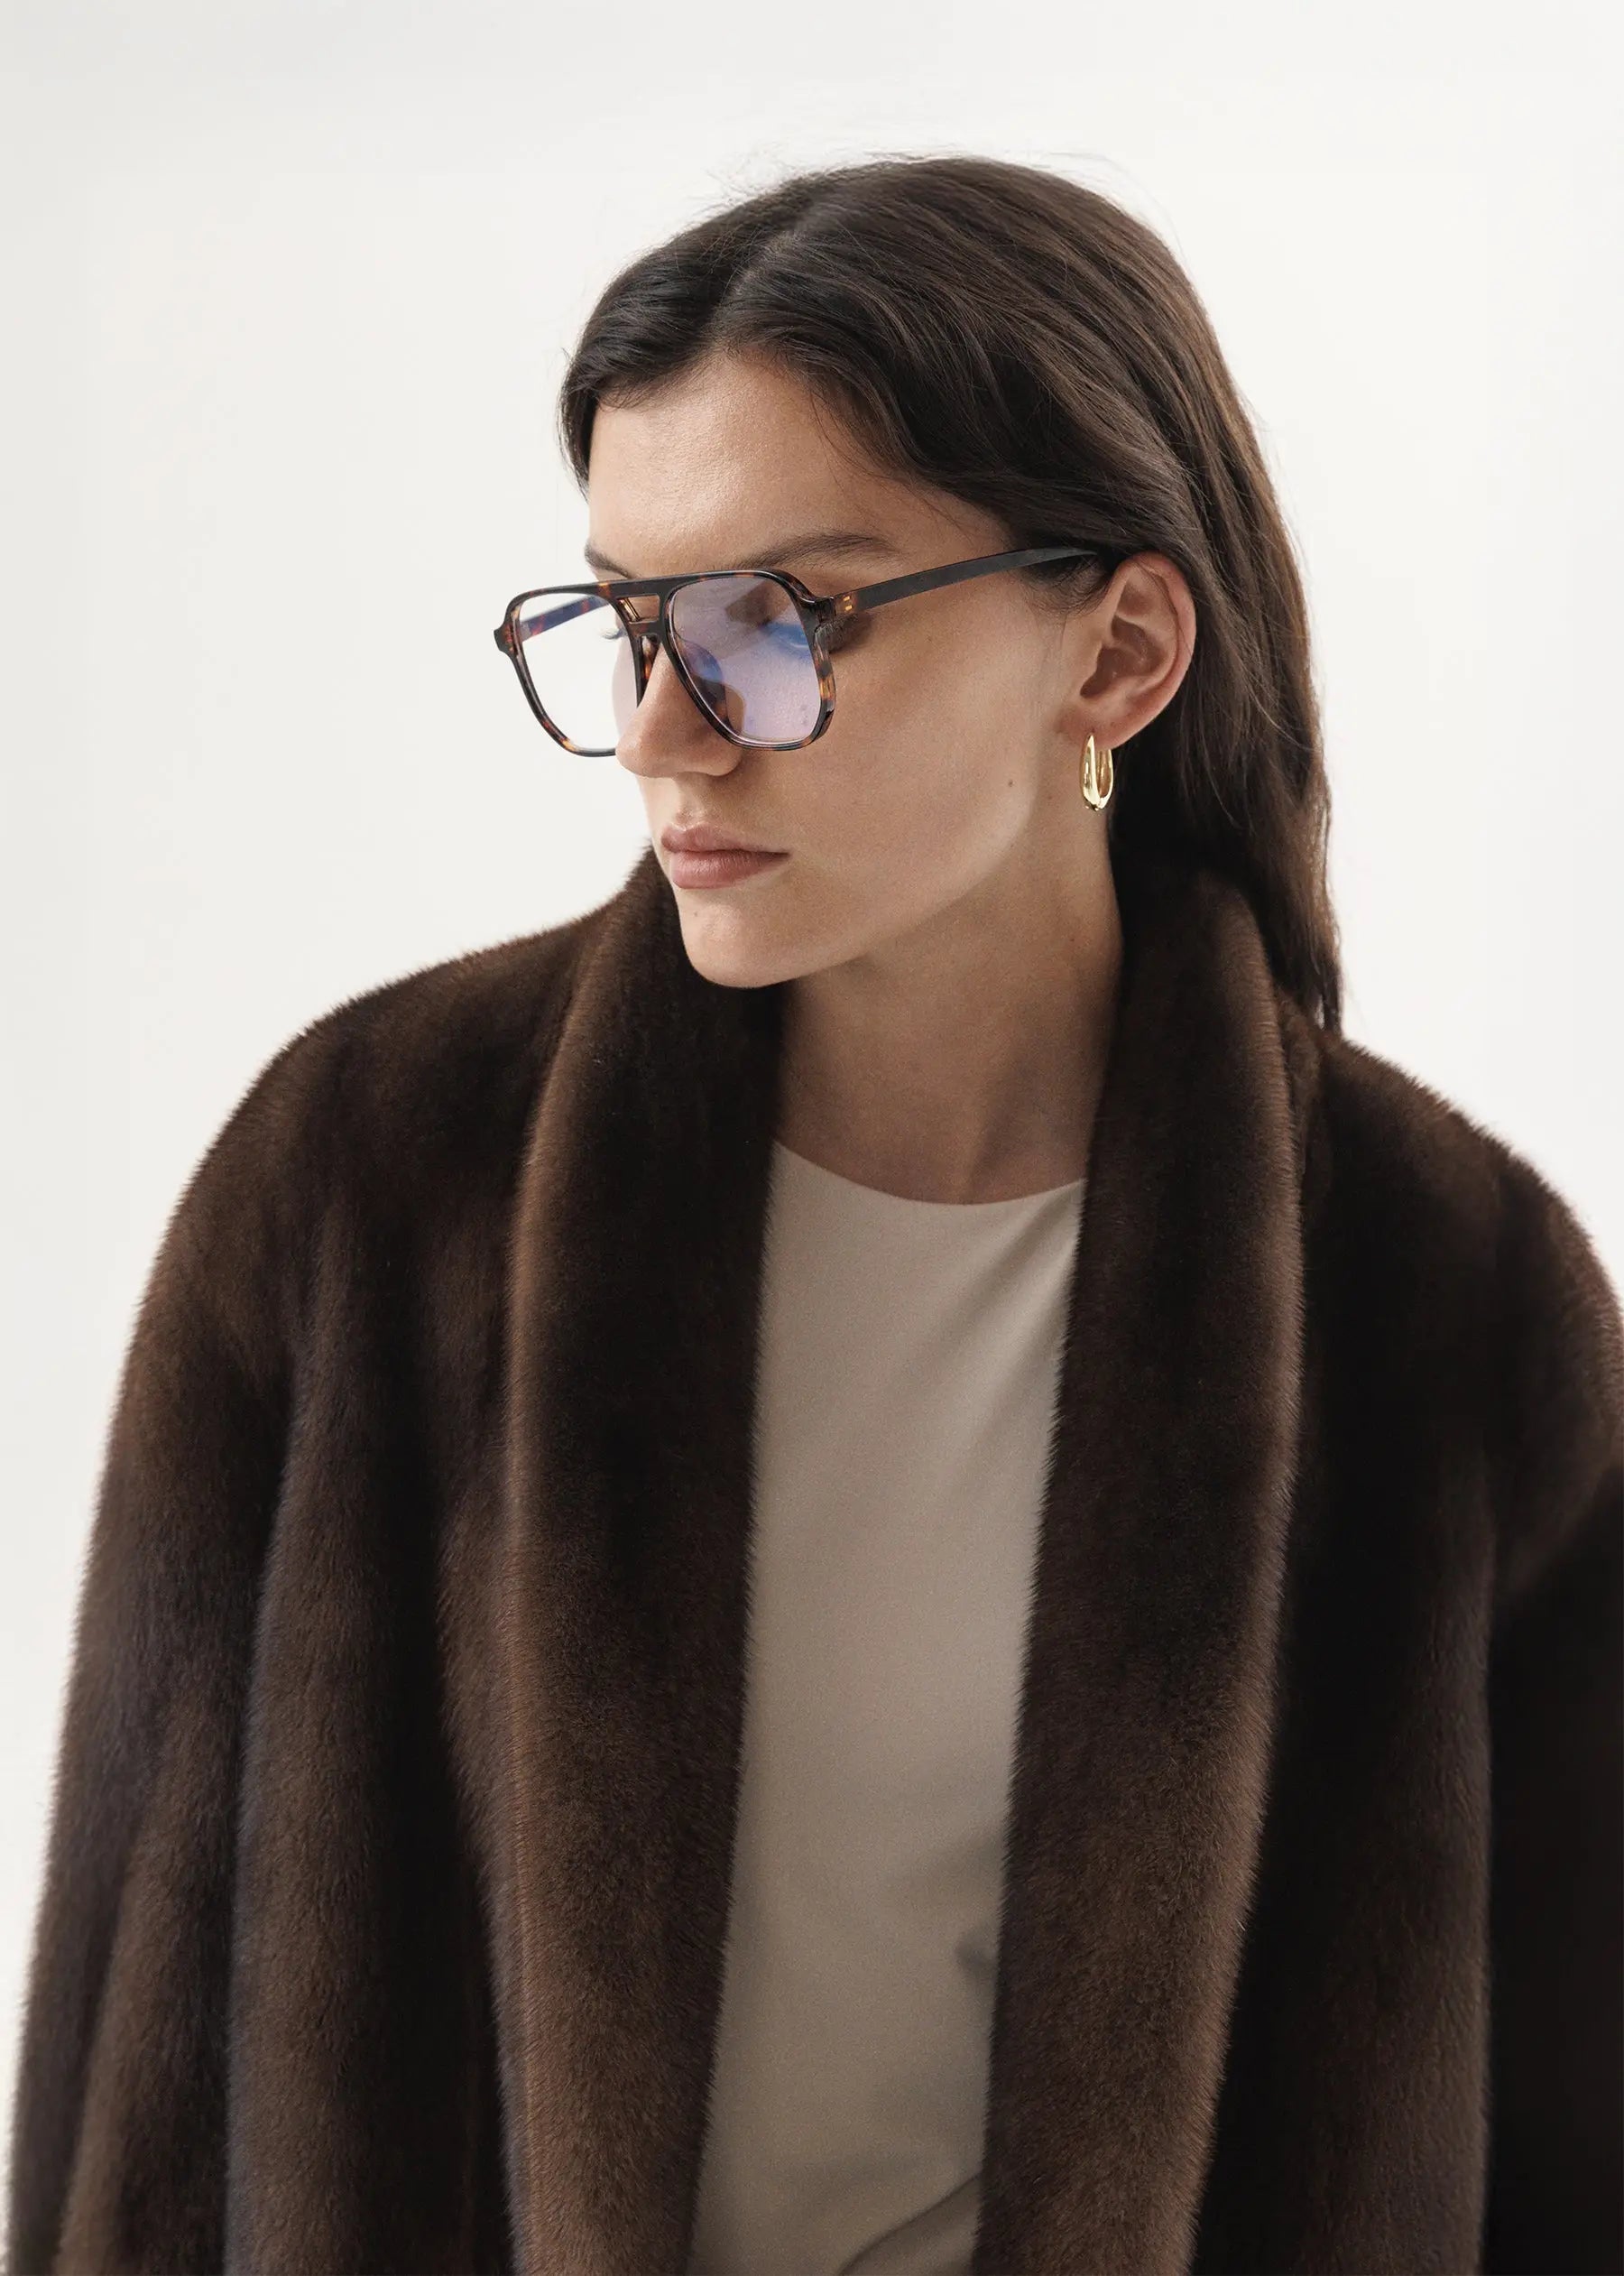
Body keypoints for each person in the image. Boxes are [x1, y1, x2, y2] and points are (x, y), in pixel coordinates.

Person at [7, 153, 1620, 2276]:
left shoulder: (1448, 1302)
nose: (663, 735)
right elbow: (128, 2114)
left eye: (779, 623)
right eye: (625, 620)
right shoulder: (365, 1191)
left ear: (1121, 652)